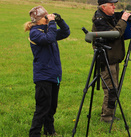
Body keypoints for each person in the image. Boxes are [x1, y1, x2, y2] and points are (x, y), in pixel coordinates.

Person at [24, 5, 70, 137]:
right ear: (40, 19)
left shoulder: (48, 30)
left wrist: (59, 20)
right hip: (43, 75)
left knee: (52, 107)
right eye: (46, 16)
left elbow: (66, 32)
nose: (48, 17)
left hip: (54, 74)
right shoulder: (35, 33)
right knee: (42, 108)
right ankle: (34, 133)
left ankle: (49, 131)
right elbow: (49, 38)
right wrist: (52, 23)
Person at [91, 0, 131, 123]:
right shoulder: (99, 21)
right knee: (111, 89)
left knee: (114, 87)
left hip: (113, 59)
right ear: (103, 7)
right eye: (111, 5)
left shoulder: (109, 17)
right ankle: (107, 117)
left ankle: (108, 112)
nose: (114, 7)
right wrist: (123, 20)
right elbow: (115, 34)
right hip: (106, 60)